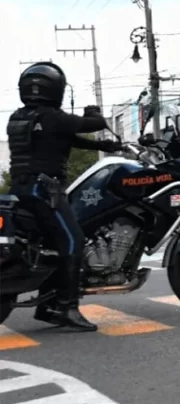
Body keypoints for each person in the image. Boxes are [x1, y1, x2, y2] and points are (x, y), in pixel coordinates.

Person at [6, 62, 121, 331]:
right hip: (46, 191)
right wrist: (95, 114)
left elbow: (61, 138)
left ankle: (48, 307)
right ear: (55, 90)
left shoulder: (19, 118)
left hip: (22, 190)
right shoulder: (54, 118)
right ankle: (67, 307)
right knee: (73, 241)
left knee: (53, 245)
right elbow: (91, 124)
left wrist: (101, 146)